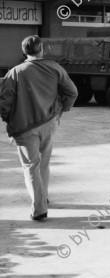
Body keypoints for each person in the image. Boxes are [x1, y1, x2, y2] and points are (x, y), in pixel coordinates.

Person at [0, 35, 78, 221]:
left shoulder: (15, 72)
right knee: (43, 163)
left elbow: (4, 103)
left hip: (25, 127)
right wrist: (61, 110)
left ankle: (39, 209)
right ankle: (43, 197)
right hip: (49, 123)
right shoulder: (55, 68)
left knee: (31, 166)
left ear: (24, 52)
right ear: (41, 49)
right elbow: (72, 92)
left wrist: (8, 120)